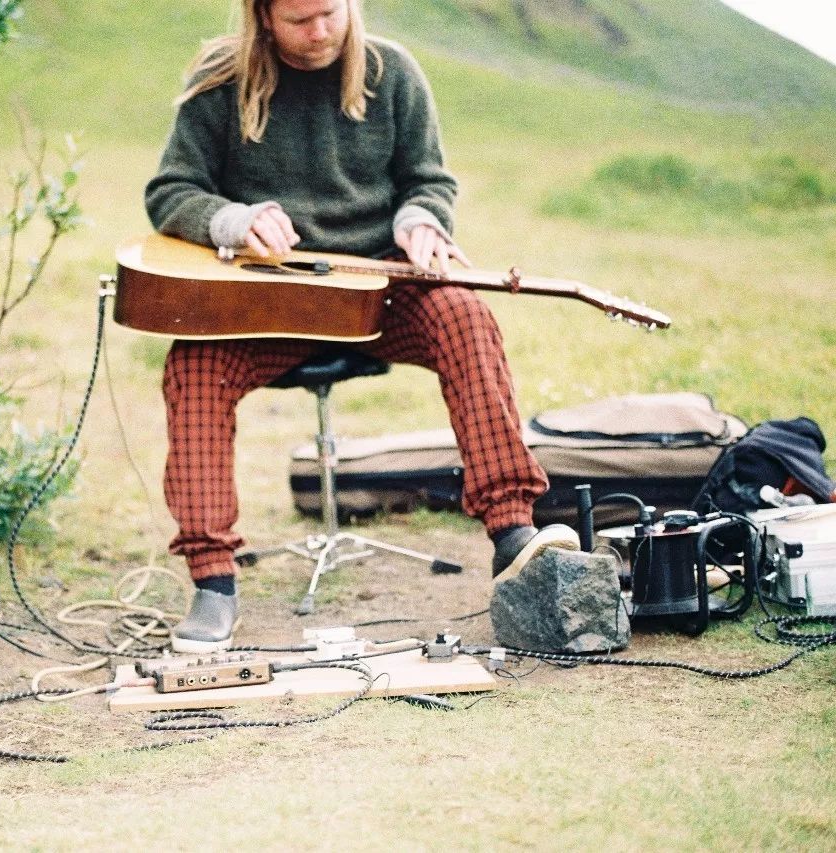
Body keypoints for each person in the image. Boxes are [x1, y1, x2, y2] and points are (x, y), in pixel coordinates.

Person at [144, 0, 576, 652]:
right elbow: (170, 191)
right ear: (262, 16)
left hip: (379, 293)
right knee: (193, 367)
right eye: (299, 20)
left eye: (330, 12)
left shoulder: (393, 71)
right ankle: (212, 580)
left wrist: (420, 223)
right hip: (269, 300)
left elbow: (429, 182)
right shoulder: (220, 77)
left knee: (466, 316)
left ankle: (512, 529)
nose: (319, 32)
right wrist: (231, 222)